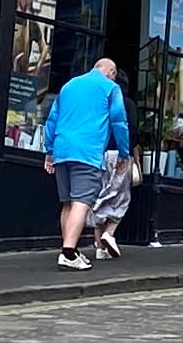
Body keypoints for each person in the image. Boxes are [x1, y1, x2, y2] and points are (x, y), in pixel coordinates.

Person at [43, 54, 129, 270]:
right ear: (111, 72)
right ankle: (69, 253)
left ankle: (68, 247)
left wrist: (49, 150)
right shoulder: (110, 88)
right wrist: (124, 153)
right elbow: (119, 121)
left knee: (68, 203)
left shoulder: (69, 85)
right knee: (82, 202)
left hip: (62, 149)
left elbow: (52, 119)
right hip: (87, 151)